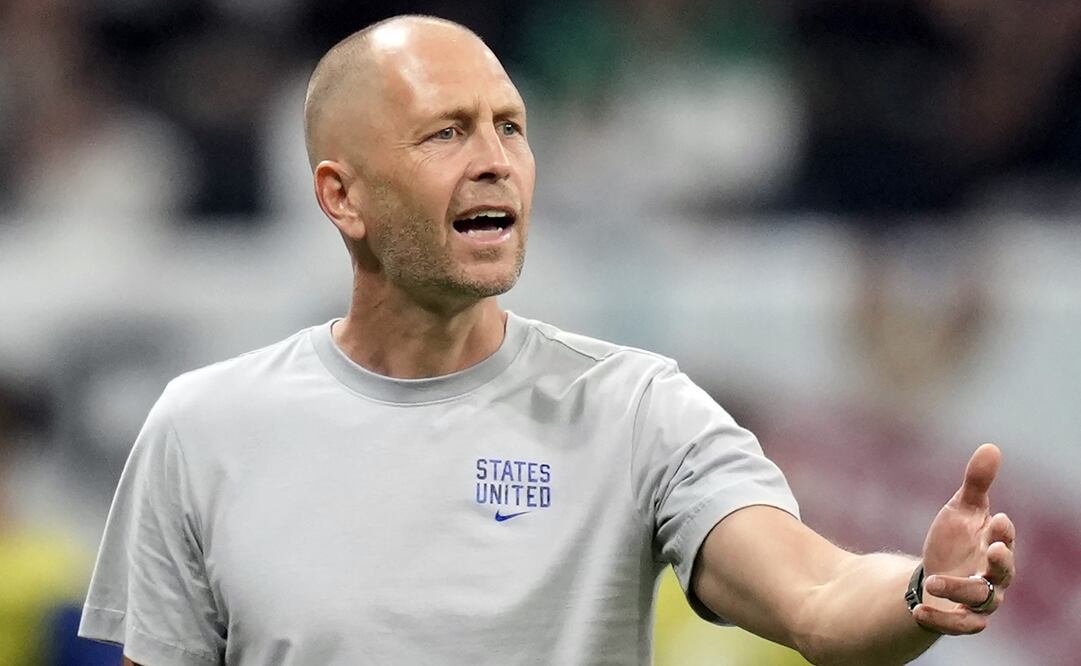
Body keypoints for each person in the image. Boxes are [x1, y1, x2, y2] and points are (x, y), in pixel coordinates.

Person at [78, 15, 1016, 665]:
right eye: (445, 133)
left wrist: (916, 592)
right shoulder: (202, 428)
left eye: (510, 127)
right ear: (341, 195)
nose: (494, 158)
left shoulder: (638, 410)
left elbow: (815, 598)